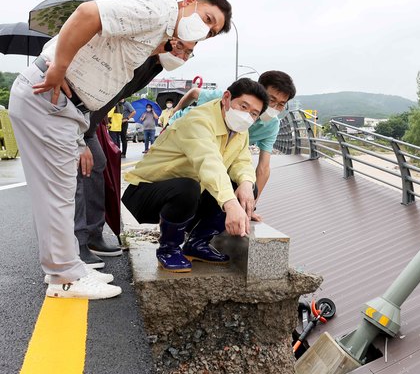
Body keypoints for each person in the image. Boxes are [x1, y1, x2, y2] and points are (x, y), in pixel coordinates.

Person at [9, 0, 232, 299]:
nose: (204, 31)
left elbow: (119, 52)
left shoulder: (160, 30)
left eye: (210, 32)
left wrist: (167, 45)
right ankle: (64, 276)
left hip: (66, 107)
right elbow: (88, 13)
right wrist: (59, 67)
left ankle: (67, 267)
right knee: (58, 194)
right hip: (53, 96)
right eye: (207, 19)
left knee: (58, 193)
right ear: (189, 2)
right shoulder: (157, 10)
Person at [122, 78, 268, 272]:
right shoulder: (198, 120)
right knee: (189, 187)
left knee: (244, 185)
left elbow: (241, 161)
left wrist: (247, 184)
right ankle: (169, 248)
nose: (246, 116)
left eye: (253, 114)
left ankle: (198, 243)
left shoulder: (240, 130)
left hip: (189, 195)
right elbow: (209, 163)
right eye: (243, 106)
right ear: (226, 98)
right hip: (147, 192)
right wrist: (231, 204)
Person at [75, 39, 195, 268]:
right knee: (81, 170)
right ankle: (76, 243)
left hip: (89, 124)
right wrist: (78, 140)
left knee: (97, 164)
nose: (183, 56)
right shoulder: (136, 55)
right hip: (75, 121)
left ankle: (92, 235)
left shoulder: (154, 65)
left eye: (190, 53)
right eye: (182, 48)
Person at [169, 71, 296, 201]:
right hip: (185, 137)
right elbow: (194, 93)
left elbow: (263, 167)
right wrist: (175, 111)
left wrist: (251, 204)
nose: (274, 107)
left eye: (281, 104)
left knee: (243, 185)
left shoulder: (271, 126)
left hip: (220, 151)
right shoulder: (230, 99)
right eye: (271, 100)